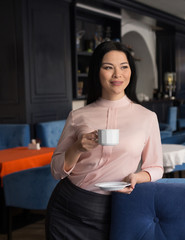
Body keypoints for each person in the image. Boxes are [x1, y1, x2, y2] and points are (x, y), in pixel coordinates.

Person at [45, 41, 163, 239]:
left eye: (124, 67)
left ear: (131, 71)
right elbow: (56, 171)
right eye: (108, 67)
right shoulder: (78, 116)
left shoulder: (147, 117)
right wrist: (76, 147)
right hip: (68, 208)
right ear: (97, 72)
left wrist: (137, 177)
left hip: (118, 207)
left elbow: (156, 167)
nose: (118, 74)